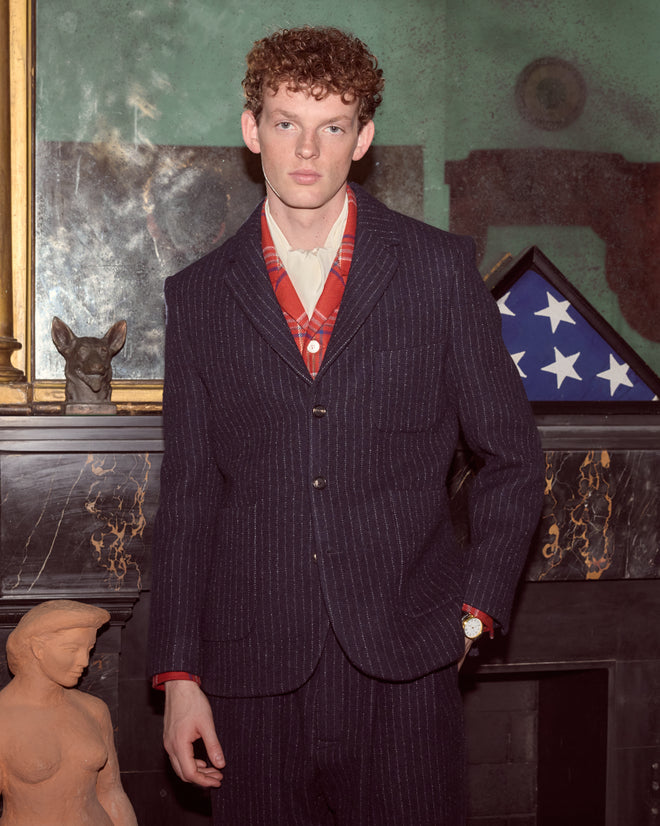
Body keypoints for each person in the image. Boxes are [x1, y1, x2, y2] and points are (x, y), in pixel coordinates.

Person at [148, 25, 544, 825]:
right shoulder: (198, 297)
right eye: (287, 121)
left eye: (332, 126)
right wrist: (179, 677)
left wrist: (474, 613)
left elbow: (513, 458)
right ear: (251, 129)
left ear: (362, 138)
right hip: (249, 672)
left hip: (405, 663)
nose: (307, 149)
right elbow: (189, 496)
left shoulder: (438, 271)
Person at [0, 599, 137, 826]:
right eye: (71, 649)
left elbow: (111, 793)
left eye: (89, 649)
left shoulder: (94, 710)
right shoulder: (4, 718)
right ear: (38, 649)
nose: (84, 661)